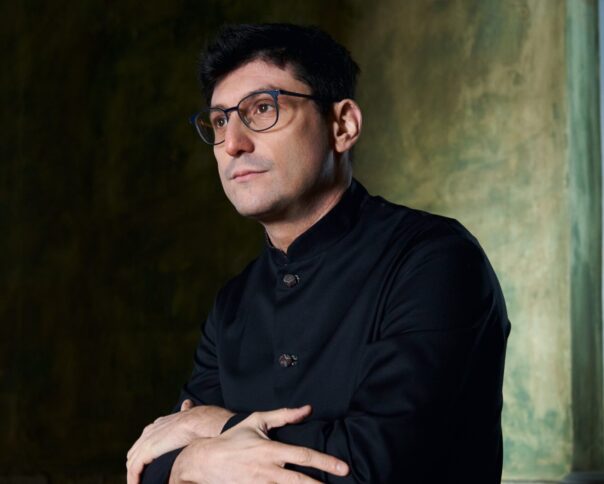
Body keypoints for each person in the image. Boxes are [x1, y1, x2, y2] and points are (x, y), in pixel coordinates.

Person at [126, 23, 511, 484]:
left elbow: (373, 468)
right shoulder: (234, 302)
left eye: (262, 108)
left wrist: (215, 429)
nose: (232, 143)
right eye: (221, 120)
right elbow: (152, 462)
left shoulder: (435, 261)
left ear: (343, 125)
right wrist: (193, 460)